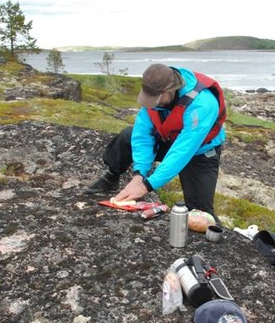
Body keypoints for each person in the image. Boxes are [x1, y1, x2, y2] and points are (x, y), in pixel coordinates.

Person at [85, 63, 226, 219]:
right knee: (128, 135)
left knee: (200, 213)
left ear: (169, 90)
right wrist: (139, 175)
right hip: (168, 139)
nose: (153, 103)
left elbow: (182, 151)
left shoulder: (202, 103)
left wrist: (146, 186)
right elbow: (142, 135)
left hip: (199, 151)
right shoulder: (156, 96)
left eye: (155, 99)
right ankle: (112, 176)